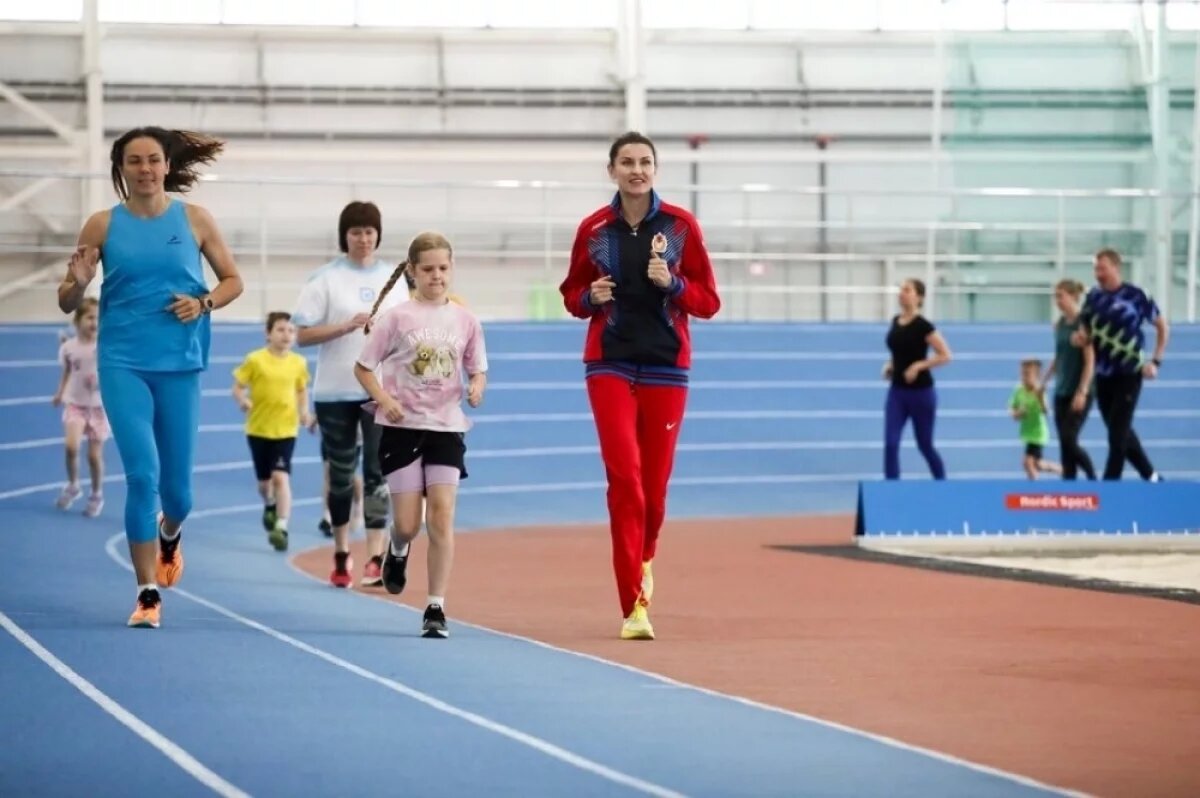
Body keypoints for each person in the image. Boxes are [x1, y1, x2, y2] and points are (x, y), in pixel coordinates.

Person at [56, 126, 244, 629]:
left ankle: (170, 533)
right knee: (142, 476)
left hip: (180, 364)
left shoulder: (195, 219)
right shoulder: (101, 225)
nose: (144, 169)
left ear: (166, 166)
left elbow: (232, 281)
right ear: (120, 168)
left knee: (179, 495)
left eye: (153, 160)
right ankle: (147, 594)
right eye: (134, 161)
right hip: (122, 362)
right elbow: (68, 300)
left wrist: (203, 302)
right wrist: (78, 283)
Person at [558, 131, 721, 641]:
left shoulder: (680, 227)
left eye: (645, 162)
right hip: (609, 362)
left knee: (654, 487)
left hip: (667, 366)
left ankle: (645, 556)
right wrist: (590, 295)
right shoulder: (594, 229)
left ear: (656, 169)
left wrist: (673, 284)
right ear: (612, 171)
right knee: (624, 480)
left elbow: (709, 300)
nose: (636, 170)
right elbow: (571, 295)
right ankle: (634, 606)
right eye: (626, 162)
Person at [354, 233, 488, 639]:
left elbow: (476, 366)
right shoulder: (397, 318)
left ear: (452, 269)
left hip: (446, 427)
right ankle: (397, 548)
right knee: (409, 524)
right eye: (428, 269)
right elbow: (363, 367)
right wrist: (383, 400)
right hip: (401, 427)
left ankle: (435, 607)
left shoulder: (465, 320)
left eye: (443, 268)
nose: (436, 276)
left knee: (443, 519)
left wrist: (477, 386)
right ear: (412, 271)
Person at [293, 201, 400, 588]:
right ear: (345, 236)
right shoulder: (324, 279)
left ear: (378, 235)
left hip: (379, 391)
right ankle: (341, 554)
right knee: (340, 477)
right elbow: (300, 335)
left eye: (370, 232)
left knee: (376, 474)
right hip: (335, 391)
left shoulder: (396, 278)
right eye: (356, 232)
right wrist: (343, 327)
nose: (363, 239)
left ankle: (375, 555)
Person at [1076, 249, 1168, 481]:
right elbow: (1086, 333)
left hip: (1129, 374)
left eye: (1102, 268)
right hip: (1103, 376)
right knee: (1121, 433)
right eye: (1096, 269)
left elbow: (1162, 327)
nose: (1098, 273)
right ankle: (1153, 477)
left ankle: (1110, 488)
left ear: (1116, 268)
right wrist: (1079, 339)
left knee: (1117, 435)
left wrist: (1155, 361)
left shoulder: (1136, 295)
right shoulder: (1093, 298)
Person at [232, 311, 313, 551]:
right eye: (280, 330)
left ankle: (282, 526)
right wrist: (243, 401)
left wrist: (304, 412)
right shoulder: (255, 360)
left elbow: (301, 389)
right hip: (258, 429)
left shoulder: (298, 362)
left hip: (286, 429)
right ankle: (269, 503)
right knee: (265, 484)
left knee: (281, 477)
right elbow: (237, 387)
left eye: (291, 330)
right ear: (268, 333)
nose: (286, 335)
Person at [882, 278, 951, 481]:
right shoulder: (895, 321)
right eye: (900, 289)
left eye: (907, 290)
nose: (901, 293)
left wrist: (918, 366)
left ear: (919, 297)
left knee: (925, 444)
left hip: (921, 394)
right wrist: (891, 365)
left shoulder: (924, 326)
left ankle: (942, 483)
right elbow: (900, 352)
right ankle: (892, 488)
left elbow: (946, 355)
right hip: (897, 393)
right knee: (891, 443)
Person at [51, 297, 108, 517]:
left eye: (98, 318)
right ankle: (73, 485)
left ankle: (96, 493)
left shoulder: (104, 344)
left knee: (94, 457)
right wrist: (59, 393)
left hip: (99, 408)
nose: (94, 322)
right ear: (78, 321)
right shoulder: (68, 347)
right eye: (89, 317)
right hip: (75, 404)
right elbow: (66, 371)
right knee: (71, 447)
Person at [1042, 279, 1096, 480]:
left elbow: (1090, 361)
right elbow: (1059, 356)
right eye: (1055, 296)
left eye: (1060, 296)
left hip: (1079, 391)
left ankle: (1092, 478)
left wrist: (1082, 392)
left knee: (1069, 439)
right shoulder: (1060, 325)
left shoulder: (1084, 324)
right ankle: (1069, 487)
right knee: (1065, 446)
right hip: (1061, 391)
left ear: (1073, 296)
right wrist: (1044, 382)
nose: (1057, 301)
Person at [1010, 359, 1062, 480]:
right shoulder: (1018, 390)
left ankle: (1034, 490)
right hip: (1027, 433)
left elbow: (1046, 411)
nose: (1024, 377)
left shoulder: (1039, 391)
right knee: (1037, 464)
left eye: (1028, 374)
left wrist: (1040, 398)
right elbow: (1012, 412)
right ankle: (1061, 469)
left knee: (1028, 463)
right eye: (1022, 373)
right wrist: (1018, 413)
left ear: (1036, 376)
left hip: (1038, 434)